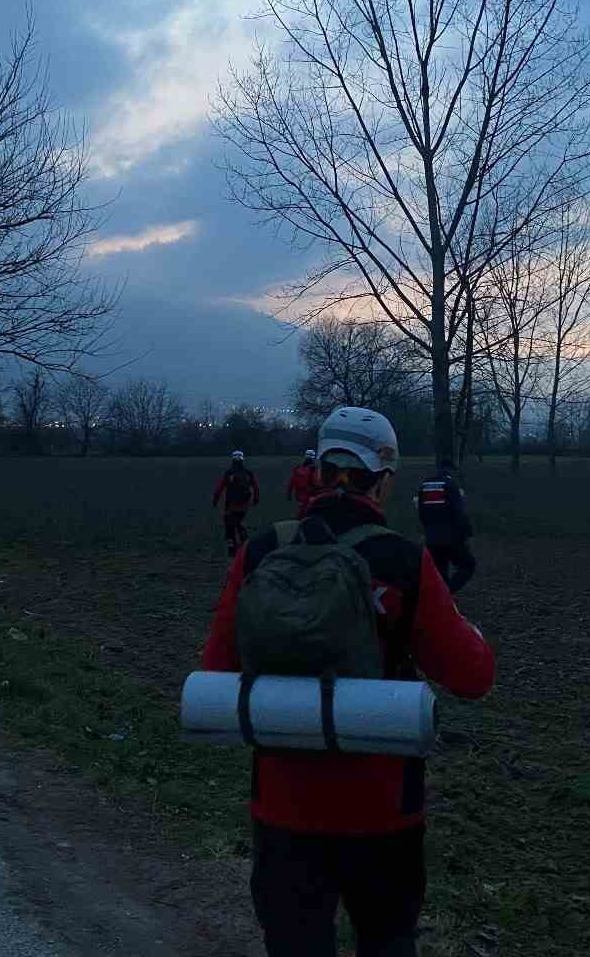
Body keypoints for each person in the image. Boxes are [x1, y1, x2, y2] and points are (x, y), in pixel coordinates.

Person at [202, 406, 496, 957]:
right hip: (385, 813)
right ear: (383, 481)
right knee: (386, 940)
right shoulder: (405, 562)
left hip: (283, 809)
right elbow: (473, 676)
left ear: (316, 471)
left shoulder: (261, 552)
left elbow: (217, 668)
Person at [414, 461, 476, 595]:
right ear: (451, 471)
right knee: (468, 565)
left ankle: (442, 601)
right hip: (451, 537)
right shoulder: (450, 485)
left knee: (440, 571)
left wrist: (426, 531)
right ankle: (446, 593)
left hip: (431, 538)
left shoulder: (425, 485)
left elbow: (421, 511)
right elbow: (459, 513)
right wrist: (466, 535)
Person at [212, 450, 261, 559]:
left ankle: (232, 549)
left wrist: (215, 499)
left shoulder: (229, 473)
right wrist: (256, 499)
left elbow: (220, 487)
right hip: (244, 504)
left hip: (230, 504)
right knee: (238, 523)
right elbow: (255, 487)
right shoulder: (248, 473)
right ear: (242, 459)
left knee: (229, 526)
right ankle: (245, 545)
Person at [285, 449, 321, 514]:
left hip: (298, 496)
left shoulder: (297, 468)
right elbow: (316, 483)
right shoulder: (313, 469)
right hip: (309, 496)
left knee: (301, 511)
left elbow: (291, 482)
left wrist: (289, 494)